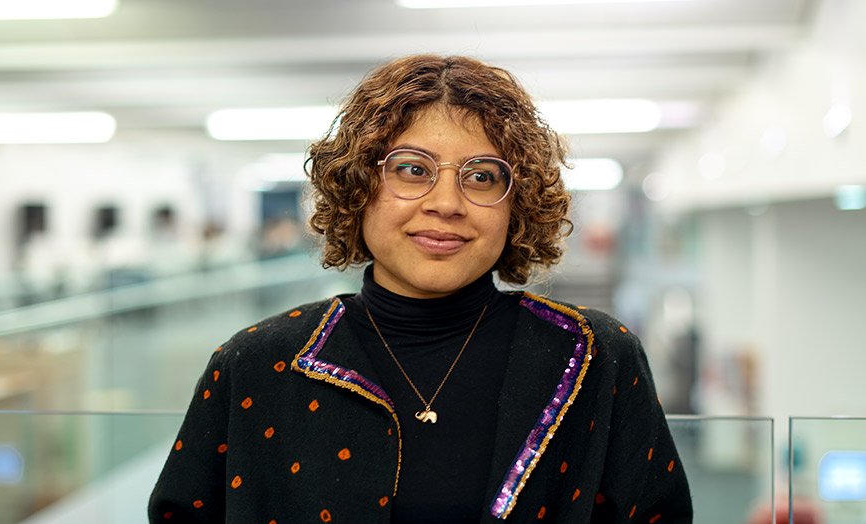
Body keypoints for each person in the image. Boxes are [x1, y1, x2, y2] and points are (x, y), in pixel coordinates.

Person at [148, 54, 693, 523]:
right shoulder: (257, 364)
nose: (446, 203)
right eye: (412, 170)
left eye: (482, 176)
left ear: (517, 202)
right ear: (357, 186)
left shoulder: (597, 358)